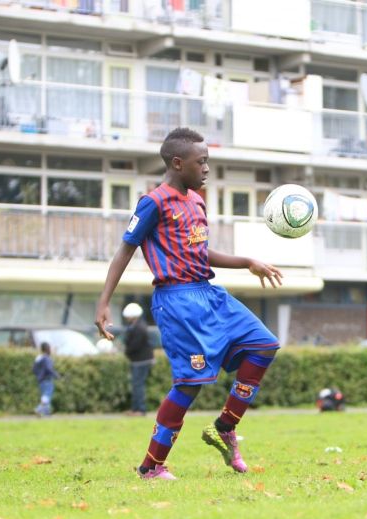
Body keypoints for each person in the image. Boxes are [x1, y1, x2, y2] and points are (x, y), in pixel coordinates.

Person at [95, 127, 283, 480]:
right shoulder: (153, 202)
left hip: (209, 293)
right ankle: (151, 466)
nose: (207, 168)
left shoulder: (197, 200)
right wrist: (103, 303)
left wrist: (247, 261)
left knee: (264, 345)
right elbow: (125, 249)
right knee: (189, 383)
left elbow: (199, 253)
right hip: (177, 300)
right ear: (179, 163)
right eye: (202, 162)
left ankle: (224, 428)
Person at [122, 302, 154, 416]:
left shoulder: (139, 328)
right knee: (136, 385)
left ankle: (140, 409)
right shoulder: (137, 326)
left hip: (141, 360)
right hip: (137, 360)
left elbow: (134, 345)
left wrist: (126, 351)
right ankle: (135, 409)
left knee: (138, 385)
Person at [33, 342, 59, 417]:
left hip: (40, 380)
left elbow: (34, 369)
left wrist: (39, 375)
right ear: (47, 349)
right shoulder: (47, 358)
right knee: (47, 395)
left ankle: (47, 413)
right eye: (50, 348)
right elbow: (49, 368)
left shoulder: (39, 358)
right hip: (47, 379)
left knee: (45, 395)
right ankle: (39, 409)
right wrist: (56, 375)